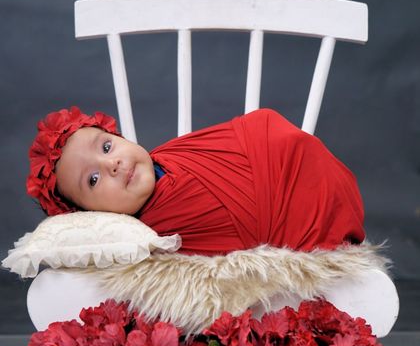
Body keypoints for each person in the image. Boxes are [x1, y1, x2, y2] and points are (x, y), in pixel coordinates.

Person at [27, 106, 365, 256]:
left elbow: (247, 134)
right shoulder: (144, 235)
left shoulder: (173, 155)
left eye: (106, 145)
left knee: (269, 128)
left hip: (290, 166)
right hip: (277, 215)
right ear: (88, 214)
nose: (112, 164)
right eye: (94, 179)